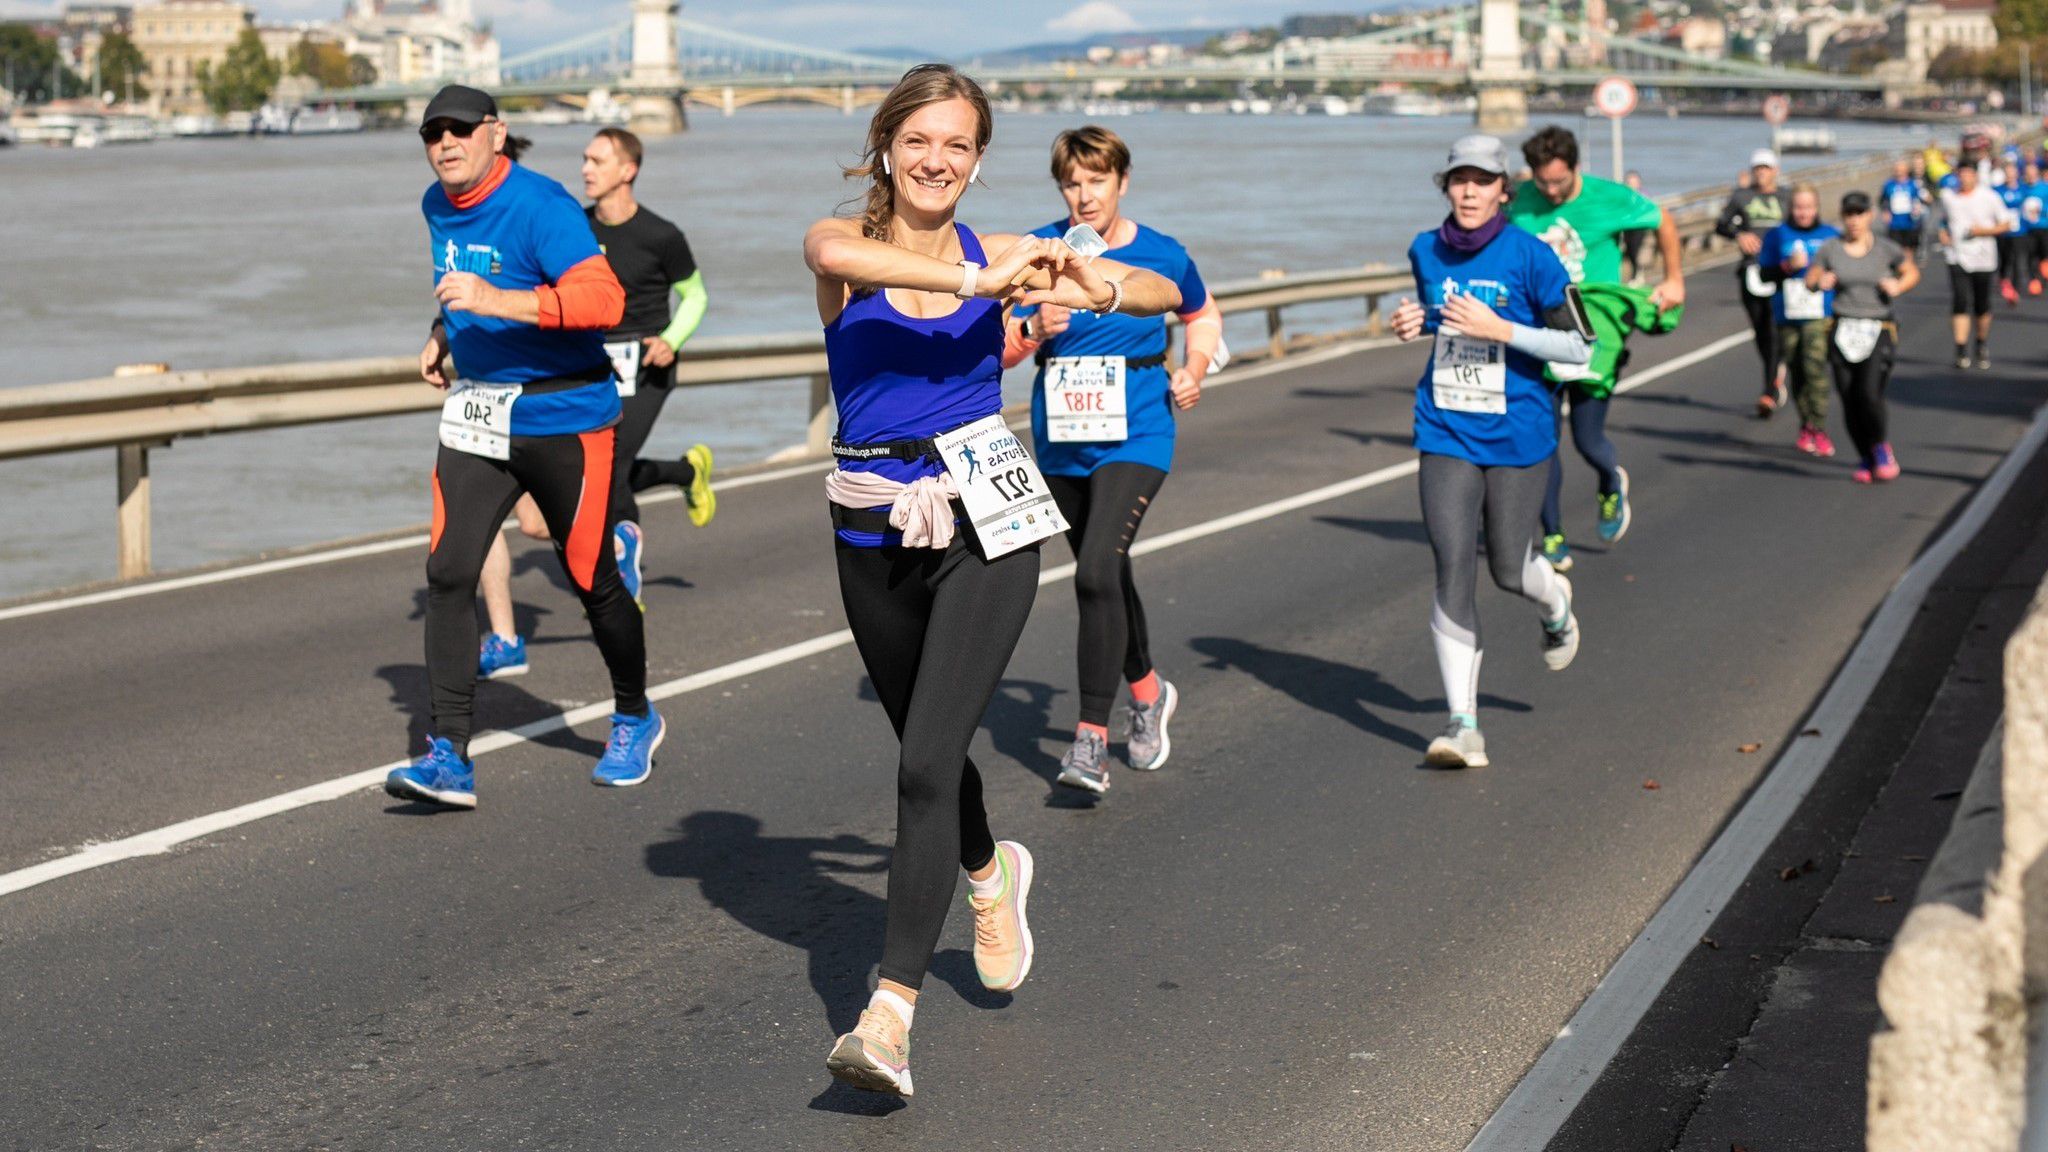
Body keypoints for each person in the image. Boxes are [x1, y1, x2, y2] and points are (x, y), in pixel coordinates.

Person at [803, 64, 1181, 1096]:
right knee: (931, 750)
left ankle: (887, 1018)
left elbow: (1159, 292)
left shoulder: (1012, 248)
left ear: (976, 162)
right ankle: (989, 871)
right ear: (887, 145)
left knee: (923, 766)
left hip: (988, 512)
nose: (937, 161)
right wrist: (975, 286)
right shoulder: (844, 247)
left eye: (958, 145)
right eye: (919, 140)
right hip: (872, 523)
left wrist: (1091, 280)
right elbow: (835, 251)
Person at [384, 85, 661, 810]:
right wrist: (445, 333)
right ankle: (450, 757)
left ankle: (635, 714)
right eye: (432, 133)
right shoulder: (434, 204)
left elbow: (605, 305)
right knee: (447, 573)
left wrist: (493, 303)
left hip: (565, 411)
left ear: (495, 134)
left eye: (459, 130)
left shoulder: (544, 207)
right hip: (477, 413)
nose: (444, 143)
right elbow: (463, 282)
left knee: (590, 576)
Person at [999, 125, 1220, 793]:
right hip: (1062, 436)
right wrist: (1033, 330)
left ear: (1122, 181)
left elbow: (1202, 314)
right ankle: (1149, 691)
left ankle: (1090, 739)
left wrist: (1195, 367)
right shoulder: (1038, 252)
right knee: (1108, 573)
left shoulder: (1162, 253)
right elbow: (999, 350)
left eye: (1096, 180)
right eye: (1072, 181)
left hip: (1139, 432)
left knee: (1095, 571)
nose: (1083, 194)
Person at [473, 127, 715, 678]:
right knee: (601, 471)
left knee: (612, 465)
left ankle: (622, 565)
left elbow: (696, 296)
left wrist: (670, 340)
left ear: (627, 169)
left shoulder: (661, 234)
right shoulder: (575, 227)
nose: (586, 168)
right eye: (584, 159)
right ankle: (684, 472)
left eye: (597, 160)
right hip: (592, 368)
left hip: (648, 368)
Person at [1388, 134, 1591, 770]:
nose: (1469, 191)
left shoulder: (1533, 257)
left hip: (1519, 432)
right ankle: (1463, 724)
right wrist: (1416, 321)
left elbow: (1580, 350)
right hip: (1444, 426)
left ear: (1505, 190)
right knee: (1452, 563)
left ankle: (1553, 600)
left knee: (1508, 569)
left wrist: (1502, 330)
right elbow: (1439, 314)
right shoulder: (1426, 249)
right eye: (1458, 179)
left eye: (1483, 180)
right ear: (1445, 187)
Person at [1506, 126, 1685, 572]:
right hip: (1536, 333)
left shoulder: (1609, 197)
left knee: (1587, 440)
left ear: (1576, 168)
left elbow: (1662, 220)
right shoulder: (1519, 198)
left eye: (1559, 182)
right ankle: (1553, 536)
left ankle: (1609, 480)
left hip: (1594, 335)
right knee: (1541, 442)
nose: (1549, 191)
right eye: (1542, 182)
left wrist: (1675, 278)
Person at [1809, 191, 1920, 483]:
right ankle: (1864, 456)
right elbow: (1811, 277)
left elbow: (1911, 272)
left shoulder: (1885, 249)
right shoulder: (1831, 248)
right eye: (1849, 214)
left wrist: (1898, 285)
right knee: (1848, 398)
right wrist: (1820, 282)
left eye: (1860, 214)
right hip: (1842, 326)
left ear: (1870, 215)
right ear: (1843, 217)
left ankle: (1881, 446)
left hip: (1878, 327)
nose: (1854, 220)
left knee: (1869, 394)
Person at [1757, 183, 1842, 457]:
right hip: (1788, 313)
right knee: (1797, 370)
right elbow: (1764, 276)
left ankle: (1819, 426)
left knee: (1815, 367)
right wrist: (1787, 267)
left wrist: (1833, 279)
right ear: (1791, 208)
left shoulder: (1830, 235)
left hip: (1819, 314)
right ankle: (1806, 424)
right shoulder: (1777, 235)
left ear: (1816, 208)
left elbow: (1846, 270)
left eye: (1808, 207)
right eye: (1798, 207)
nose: (1803, 213)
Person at [1716, 148, 1789, 418]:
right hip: (1751, 270)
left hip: (1781, 271)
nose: (1762, 172)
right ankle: (1775, 370)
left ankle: (1768, 391)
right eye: (1758, 168)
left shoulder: (1787, 197)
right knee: (1760, 331)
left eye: (1767, 168)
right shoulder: (1742, 196)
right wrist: (1740, 234)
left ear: (1775, 171)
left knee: (1772, 328)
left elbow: (1802, 224)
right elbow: (1721, 224)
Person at [1938, 163, 2014, 370]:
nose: (1964, 179)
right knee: (1960, 300)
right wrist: (1943, 232)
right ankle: (1960, 348)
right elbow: (1944, 220)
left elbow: (2006, 223)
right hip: (1957, 256)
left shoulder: (1989, 197)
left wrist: (1983, 231)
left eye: (1968, 175)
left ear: (1975, 177)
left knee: (1981, 305)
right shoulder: (1948, 196)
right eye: (1960, 175)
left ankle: (1980, 343)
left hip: (1983, 257)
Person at [1996, 157, 2027, 306]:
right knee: (2004, 260)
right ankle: (2003, 279)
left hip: (2019, 231)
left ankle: (2014, 290)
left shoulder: (2023, 188)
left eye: (2012, 172)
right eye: (2007, 172)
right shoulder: (1997, 190)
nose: (2010, 175)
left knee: (2017, 260)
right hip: (2002, 231)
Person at [1881, 159, 1928, 254]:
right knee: (1895, 250)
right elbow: (1883, 200)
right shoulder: (1888, 185)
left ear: (1906, 171)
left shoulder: (1913, 184)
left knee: (1909, 251)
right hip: (1894, 223)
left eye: (1901, 170)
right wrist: (1885, 211)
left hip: (1911, 222)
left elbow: (1921, 198)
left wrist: (1919, 207)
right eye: (1896, 170)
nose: (1898, 172)